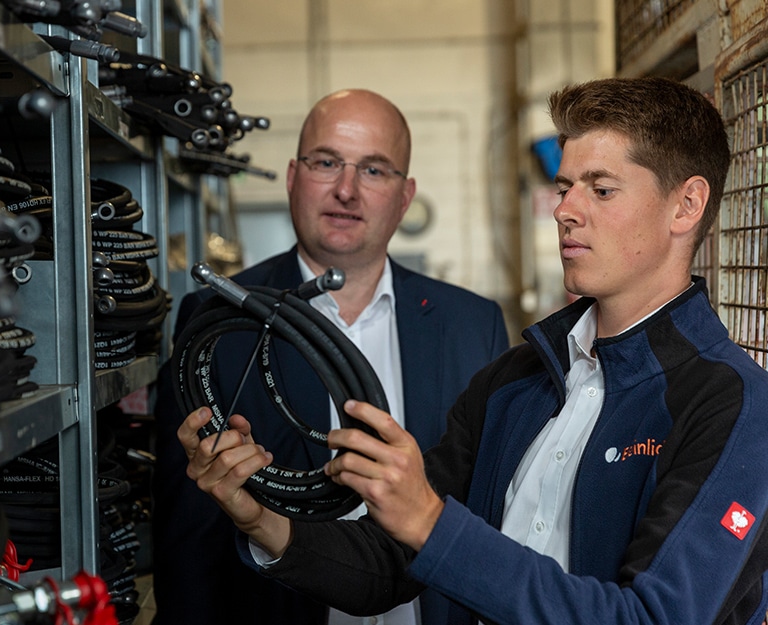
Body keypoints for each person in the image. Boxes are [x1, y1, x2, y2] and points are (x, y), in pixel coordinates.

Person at [177, 76, 768, 624]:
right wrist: (262, 521)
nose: (564, 210)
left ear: (686, 205)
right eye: (565, 187)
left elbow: (655, 617)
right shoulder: (516, 380)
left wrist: (432, 524)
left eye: (602, 189)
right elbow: (392, 560)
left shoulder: (734, 408)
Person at [152, 88, 510, 625]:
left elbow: (491, 512)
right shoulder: (217, 323)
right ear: (293, 176)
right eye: (326, 163)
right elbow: (190, 541)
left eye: (374, 170)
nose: (346, 190)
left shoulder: (472, 324)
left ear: (405, 196)